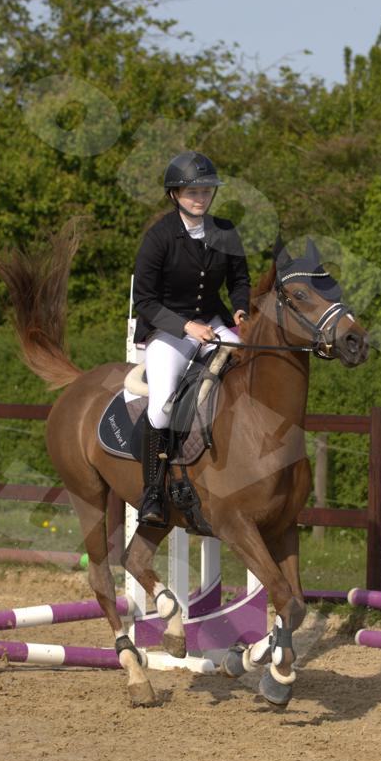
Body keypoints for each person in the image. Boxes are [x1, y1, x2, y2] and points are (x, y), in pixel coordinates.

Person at [131, 151, 251, 527]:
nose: (200, 197)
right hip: (168, 331)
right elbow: (145, 300)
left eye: (206, 191)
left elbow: (240, 279)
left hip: (214, 323)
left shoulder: (225, 232)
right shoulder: (159, 237)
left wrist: (241, 309)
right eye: (192, 191)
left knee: (251, 368)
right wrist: (186, 327)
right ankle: (152, 491)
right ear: (174, 195)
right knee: (162, 401)